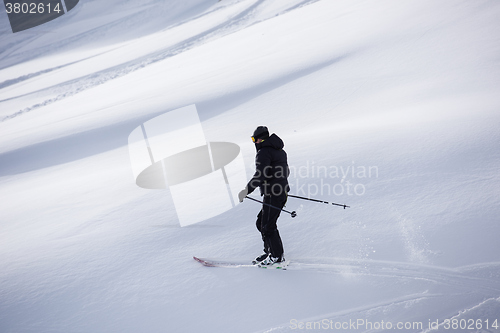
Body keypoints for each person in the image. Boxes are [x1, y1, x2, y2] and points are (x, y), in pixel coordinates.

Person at [238, 126, 290, 267]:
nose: (254, 142)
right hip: (281, 193)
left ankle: (276, 257)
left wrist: (246, 191)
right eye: (252, 139)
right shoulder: (280, 151)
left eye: (254, 139)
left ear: (261, 139)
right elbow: (285, 172)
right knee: (262, 222)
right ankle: (270, 252)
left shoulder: (264, 152)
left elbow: (260, 175)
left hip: (273, 193)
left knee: (267, 226)